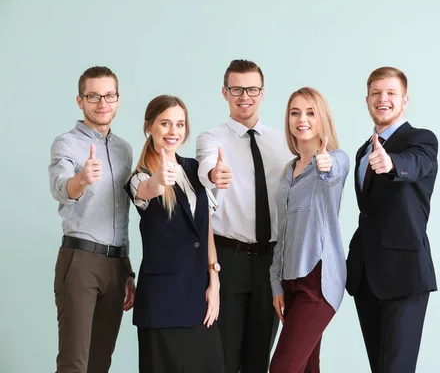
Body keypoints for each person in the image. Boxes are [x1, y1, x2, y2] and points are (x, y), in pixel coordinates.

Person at [196, 59, 291, 373]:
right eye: (236, 89)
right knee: (224, 355)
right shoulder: (212, 138)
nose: (244, 96)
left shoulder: (283, 141)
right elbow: (207, 167)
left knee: (259, 357)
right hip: (229, 258)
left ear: (262, 93)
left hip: (271, 262)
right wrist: (215, 173)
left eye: (251, 89)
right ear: (225, 92)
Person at [345, 67, 439, 373]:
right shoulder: (362, 151)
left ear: (404, 100)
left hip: (404, 274)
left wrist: (392, 163)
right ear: (368, 99)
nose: (382, 99)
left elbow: (418, 163)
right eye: (375, 93)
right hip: (367, 278)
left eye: (390, 93)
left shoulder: (421, 140)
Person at [125, 95, 224, 373]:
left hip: (200, 298)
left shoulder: (194, 170)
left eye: (179, 124)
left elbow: (206, 230)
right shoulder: (140, 177)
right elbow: (147, 191)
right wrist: (158, 180)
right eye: (165, 123)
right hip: (162, 304)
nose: (173, 131)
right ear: (149, 128)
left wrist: (214, 279)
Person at [48, 66, 135, 373]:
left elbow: (123, 213)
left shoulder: (125, 149)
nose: (102, 103)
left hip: (117, 265)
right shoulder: (67, 143)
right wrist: (82, 180)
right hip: (81, 259)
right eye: (93, 96)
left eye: (109, 95)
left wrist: (128, 271)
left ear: (118, 99)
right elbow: (61, 187)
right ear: (80, 100)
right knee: (75, 363)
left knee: (100, 363)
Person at [269, 87, 349, 373]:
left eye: (310, 112)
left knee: (282, 368)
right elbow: (283, 233)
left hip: (318, 282)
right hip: (290, 281)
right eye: (295, 112)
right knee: (306, 368)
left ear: (322, 119)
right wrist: (276, 284)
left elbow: (334, 170)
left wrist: (325, 164)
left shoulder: (335, 159)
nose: (302, 119)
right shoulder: (288, 171)